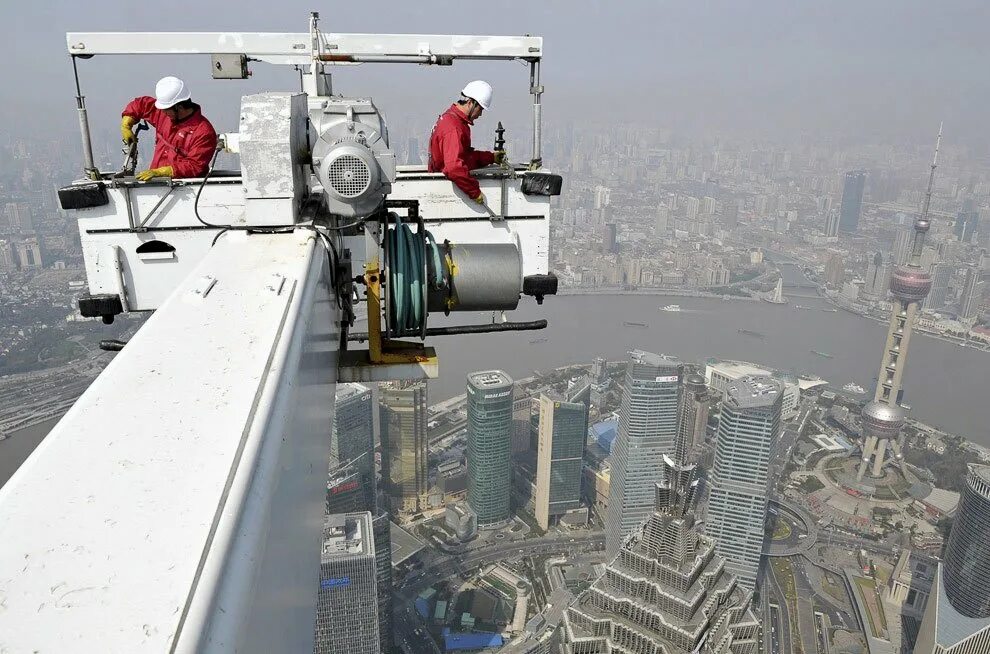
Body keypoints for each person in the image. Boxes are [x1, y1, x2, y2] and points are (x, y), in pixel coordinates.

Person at [120, 76, 218, 180]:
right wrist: (126, 124)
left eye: (166, 110)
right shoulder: (165, 114)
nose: (163, 112)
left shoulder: (203, 132)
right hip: (155, 183)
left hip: (184, 191)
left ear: (179, 107)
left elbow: (195, 166)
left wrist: (164, 172)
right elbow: (141, 105)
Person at [428, 80, 505, 205]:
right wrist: (474, 192)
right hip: (443, 193)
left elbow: (464, 157)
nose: (480, 114)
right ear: (470, 103)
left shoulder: (452, 119)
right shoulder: (453, 127)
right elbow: (454, 168)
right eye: (480, 109)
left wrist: (490, 157)